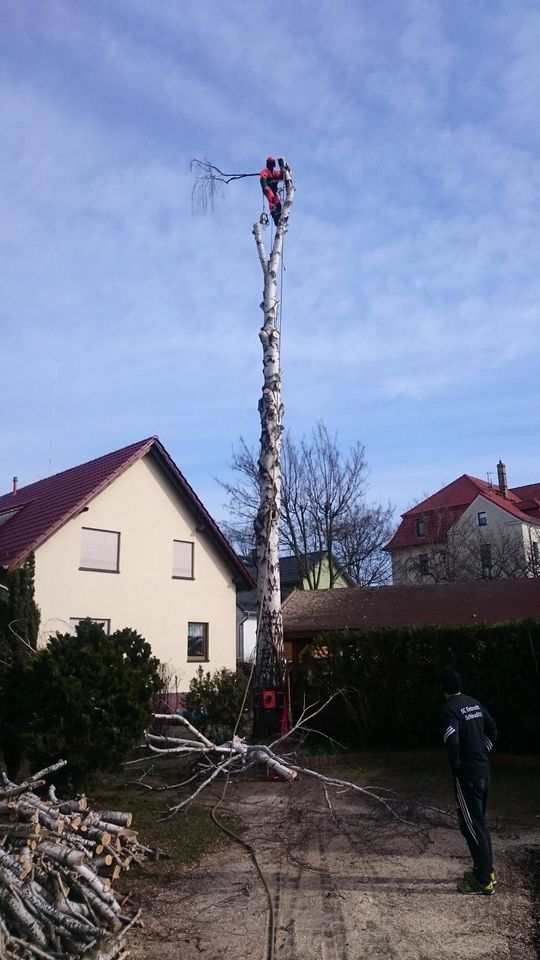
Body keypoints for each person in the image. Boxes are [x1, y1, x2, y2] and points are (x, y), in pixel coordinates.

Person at [439, 668, 498, 895]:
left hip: (468, 777)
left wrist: (458, 766)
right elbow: (492, 729)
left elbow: (452, 741)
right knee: (476, 824)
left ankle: (483, 881)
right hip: (483, 771)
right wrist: (483, 752)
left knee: (472, 826)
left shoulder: (448, 709)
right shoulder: (473, 702)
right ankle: (486, 870)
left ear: (443, 688)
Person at [260, 156, 284, 225]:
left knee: (278, 204)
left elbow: (281, 175)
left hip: (273, 191)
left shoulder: (274, 172)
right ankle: (275, 216)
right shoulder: (265, 171)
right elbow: (262, 178)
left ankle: (278, 216)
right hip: (267, 188)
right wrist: (264, 186)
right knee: (272, 201)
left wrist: (284, 170)